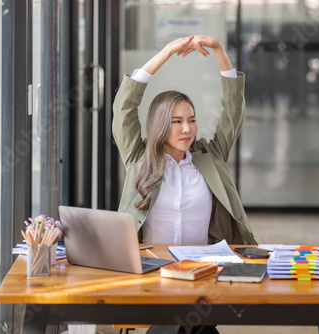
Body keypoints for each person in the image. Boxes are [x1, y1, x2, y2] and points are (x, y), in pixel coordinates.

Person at [112, 35, 257, 334]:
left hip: (203, 274)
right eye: (176, 121)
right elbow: (124, 107)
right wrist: (166, 52)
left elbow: (233, 111)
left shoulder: (210, 157)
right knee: (191, 324)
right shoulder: (139, 158)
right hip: (152, 275)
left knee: (185, 320)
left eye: (191, 120)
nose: (187, 129)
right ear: (160, 124)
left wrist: (218, 50)